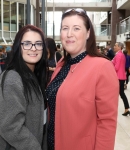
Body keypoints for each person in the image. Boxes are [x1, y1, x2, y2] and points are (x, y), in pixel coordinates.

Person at [46, 8, 119, 150]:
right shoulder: (62, 65)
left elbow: (107, 122)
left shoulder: (102, 67)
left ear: (88, 33)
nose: (69, 34)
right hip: (52, 144)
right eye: (65, 28)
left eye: (76, 28)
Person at [0, 25, 48, 150]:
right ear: (19, 47)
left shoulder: (31, 75)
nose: (33, 48)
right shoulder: (12, 79)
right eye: (27, 44)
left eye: (38, 44)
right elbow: (9, 126)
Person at [112, 42, 130, 116]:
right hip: (121, 77)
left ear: (119, 47)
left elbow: (116, 67)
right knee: (122, 93)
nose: (114, 47)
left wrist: (109, 69)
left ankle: (125, 108)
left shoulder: (119, 55)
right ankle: (126, 108)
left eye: (115, 45)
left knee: (117, 93)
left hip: (118, 77)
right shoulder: (121, 54)